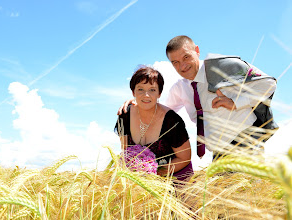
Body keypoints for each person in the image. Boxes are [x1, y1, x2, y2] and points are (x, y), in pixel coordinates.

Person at [119, 35, 278, 161]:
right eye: (175, 62)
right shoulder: (180, 88)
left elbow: (268, 83)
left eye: (186, 57)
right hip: (218, 154)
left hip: (245, 146)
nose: (182, 66)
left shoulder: (222, 66)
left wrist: (235, 102)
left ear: (197, 50)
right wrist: (137, 104)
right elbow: (160, 112)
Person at [115, 66, 194, 182]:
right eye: (140, 89)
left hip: (176, 177)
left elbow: (184, 158)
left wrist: (153, 173)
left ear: (159, 94)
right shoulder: (125, 115)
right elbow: (126, 153)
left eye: (152, 90)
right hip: (140, 182)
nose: (146, 95)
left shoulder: (171, 120)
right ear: (133, 92)